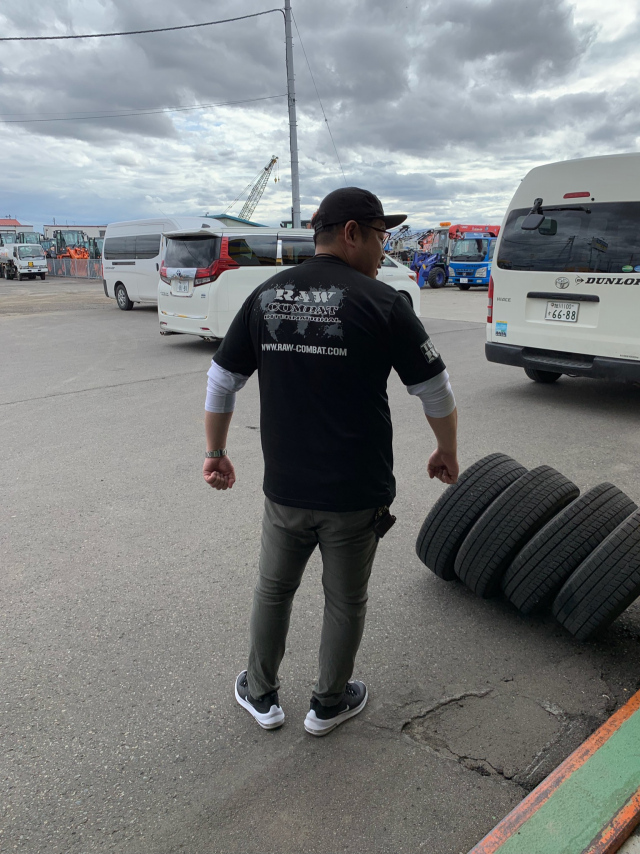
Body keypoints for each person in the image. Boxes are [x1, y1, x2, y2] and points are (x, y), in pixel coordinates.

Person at [203, 187, 459, 737]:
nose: (384, 249)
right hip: (356, 492)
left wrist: (216, 453)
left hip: (286, 489)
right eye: (381, 236)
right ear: (351, 233)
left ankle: (261, 694)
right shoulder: (383, 302)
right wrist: (447, 450)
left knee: (274, 590)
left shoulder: (267, 295)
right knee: (345, 600)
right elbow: (435, 389)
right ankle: (328, 704)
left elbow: (221, 380)